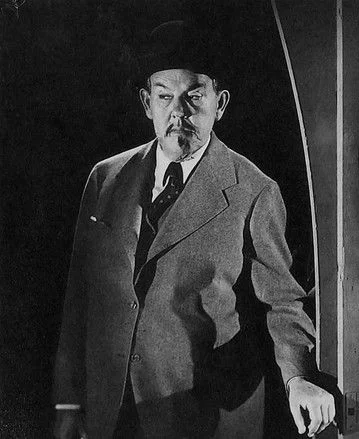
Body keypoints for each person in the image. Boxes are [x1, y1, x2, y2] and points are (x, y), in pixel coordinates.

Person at [52, 21, 334, 438]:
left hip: (205, 412)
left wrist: (298, 378)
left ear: (220, 103)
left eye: (194, 97)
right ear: (147, 103)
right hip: (110, 408)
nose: (178, 112)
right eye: (165, 96)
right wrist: (68, 401)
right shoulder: (105, 178)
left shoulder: (254, 190)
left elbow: (283, 300)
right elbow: (79, 294)